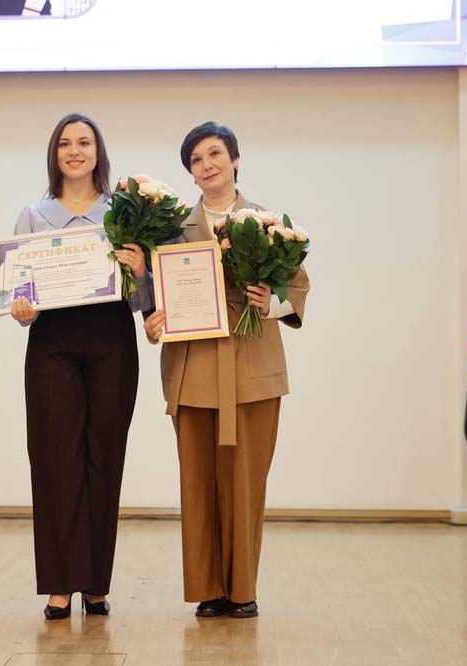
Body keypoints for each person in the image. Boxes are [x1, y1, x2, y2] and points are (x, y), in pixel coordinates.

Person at [143, 121, 309, 619]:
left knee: (246, 482)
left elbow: (297, 287)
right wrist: (153, 319)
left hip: (253, 368)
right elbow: (154, 296)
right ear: (190, 172)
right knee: (198, 484)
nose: (207, 165)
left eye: (214, 154)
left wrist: (269, 301)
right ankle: (209, 589)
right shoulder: (172, 230)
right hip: (192, 368)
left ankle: (243, 589)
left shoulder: (268, 223)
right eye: (196, 160)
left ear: (235, 160)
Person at [10, 113, 151, 619]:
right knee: (55, 461)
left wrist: (142, 272)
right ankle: (59, 584)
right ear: (55, 154)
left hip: (112, 341)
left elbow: (140, 301)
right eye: (65, 143)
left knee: (104, 457)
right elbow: (19, 295)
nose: (75, 151)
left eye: (84, 142)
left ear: (97, 152)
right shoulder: (33, 215)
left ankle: (94, 584)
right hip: (52, 345)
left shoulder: (125, 214)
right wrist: (20, 307)